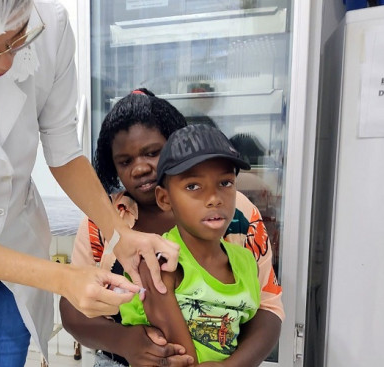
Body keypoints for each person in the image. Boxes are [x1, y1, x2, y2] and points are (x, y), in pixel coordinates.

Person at [0, 2, 178, 367]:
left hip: (14, 230)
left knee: (4, 356)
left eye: (18, 36)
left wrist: (119, 232)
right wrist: (64, 279)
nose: (5, 63)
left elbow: (64, 151)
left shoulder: (51, 21)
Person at [60, 89, 284, 367]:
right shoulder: (101, 221)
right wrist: (125, 342)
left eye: (153, 152)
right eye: (125, 161)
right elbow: (73, 306)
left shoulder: (236, 212)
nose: (140, 168)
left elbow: (268, 306)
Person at [120, 123, 261, 364]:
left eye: (225, 183)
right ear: (165, 199)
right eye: (193, 186)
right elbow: (182, 359)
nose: (214, 198)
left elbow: (246, 334)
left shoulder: (245, 262)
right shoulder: (157, 263)